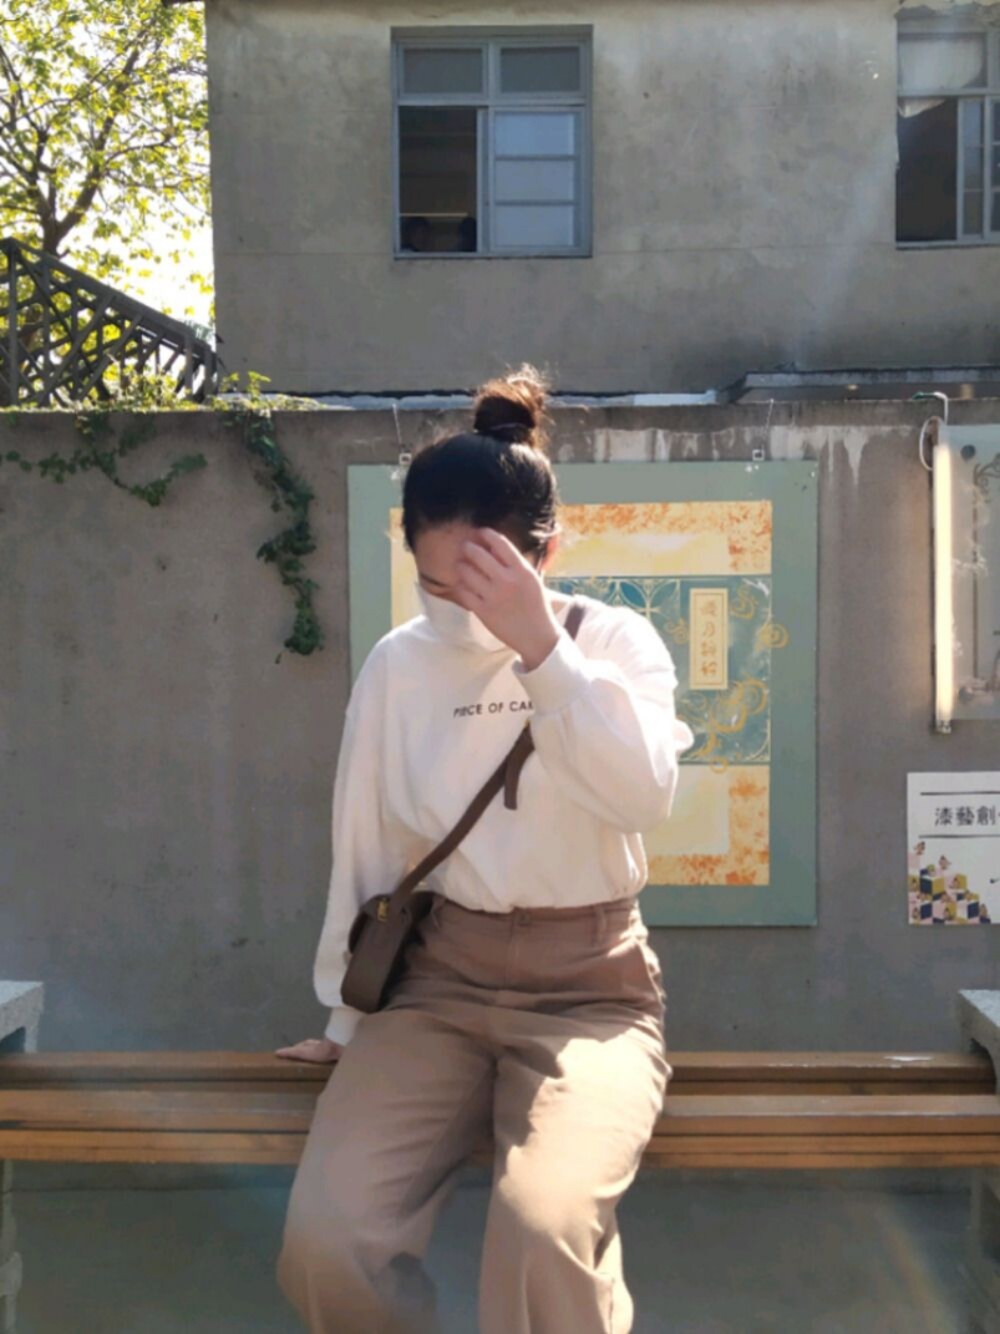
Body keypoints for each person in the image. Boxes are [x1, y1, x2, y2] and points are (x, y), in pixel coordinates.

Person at [274, 365, 695, 1334]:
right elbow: (368, 841)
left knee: (544, 1228)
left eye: (487, 581)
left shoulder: (614, 642)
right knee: (329, 1240)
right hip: (437, 985)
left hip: (592, 990)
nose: (463, 614)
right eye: (437, 586)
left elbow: (642, 797)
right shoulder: (400, 663)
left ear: (549, 550)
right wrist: (345, 1015)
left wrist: (543, 652)